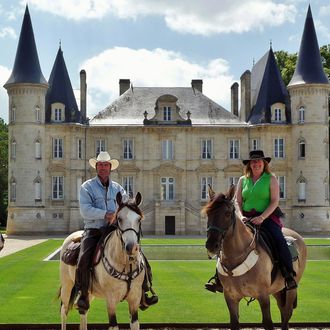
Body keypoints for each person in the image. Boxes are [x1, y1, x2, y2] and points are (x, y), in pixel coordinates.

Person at [75, 151, 158, 312]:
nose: (103, 168)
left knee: (140, 257)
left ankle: (144, 291)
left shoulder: (118, 188)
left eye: (106, 165)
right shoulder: (87, 187)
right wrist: (105, 214)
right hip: (94, 229)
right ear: (96, 167)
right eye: (100, 165)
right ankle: (83, 294)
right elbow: (85, 210)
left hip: (114, 230)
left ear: (110, 167)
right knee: (84, 257)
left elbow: (126, 206)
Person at [205, 150, 296, 293]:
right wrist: (241, 216)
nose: (256, 164)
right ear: (249, 164)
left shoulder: (271, 178)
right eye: (253, 161)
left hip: (266, 218)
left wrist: (262, 217)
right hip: (245, 218)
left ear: (264, 163)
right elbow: (237, 202)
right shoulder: (243, 180)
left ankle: (288, 275)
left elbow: (274, 202)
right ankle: (218, 279)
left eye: (259, 161)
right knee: (225, 240)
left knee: (279, 240)